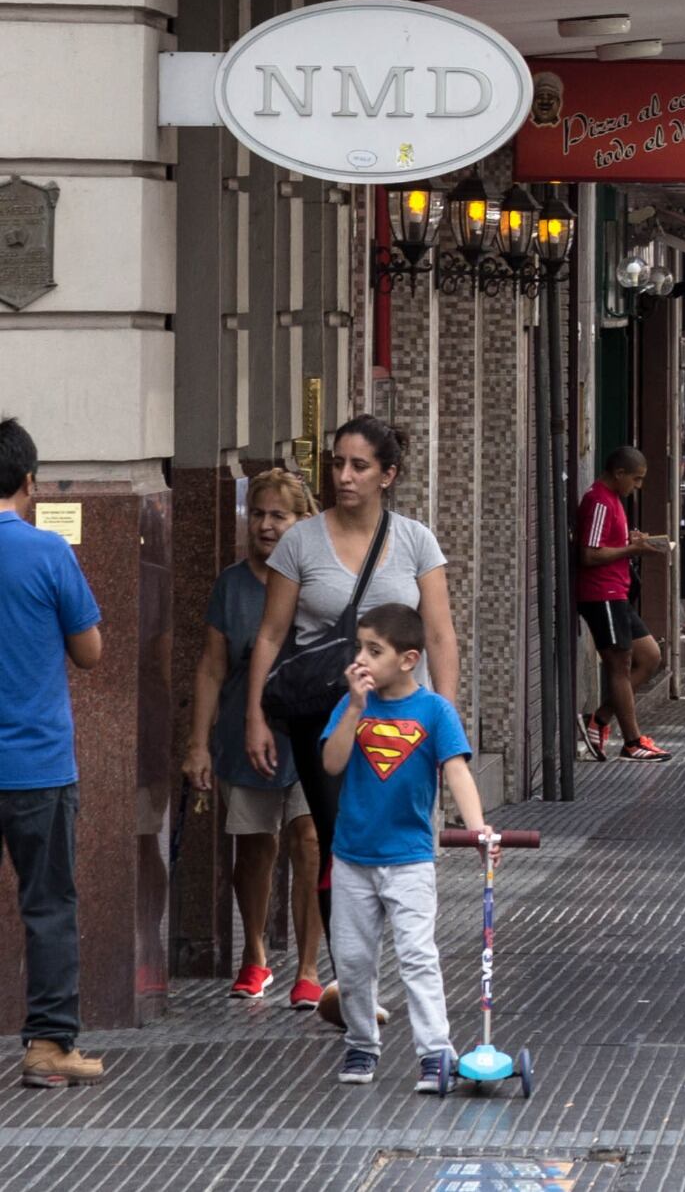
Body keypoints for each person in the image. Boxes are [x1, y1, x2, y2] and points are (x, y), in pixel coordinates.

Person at [243, 417, 460, 957]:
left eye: (359, 466)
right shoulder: (301, 541)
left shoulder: (416, 542)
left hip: (405, 718)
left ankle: (399, 948)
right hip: (327, 713)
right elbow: (271, 635)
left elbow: (439, 634)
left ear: (387, 475)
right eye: (337, 463)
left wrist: (445, 720)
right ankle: (346, 970)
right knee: (334, 837)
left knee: (402, 839)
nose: (344, 475)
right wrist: (255, 717)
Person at [318, 603, 486, 1091]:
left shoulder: (435, 711)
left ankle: (436, 1052)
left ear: (409, 659)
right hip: (352, 857)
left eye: (375, 650)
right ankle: (361, 1043)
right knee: (352, 960)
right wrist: (352, 708)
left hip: (410, 859)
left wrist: (477, 830)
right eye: (359, 648)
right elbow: (331, 764)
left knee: (417, 954)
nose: (361, 659)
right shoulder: (352, 704)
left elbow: (457, 770)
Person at [182, 468, 324, 1008]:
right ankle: (256, 955)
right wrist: (197, 742)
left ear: (303, 521)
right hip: (245, 733)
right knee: (255, 845)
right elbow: (211, 669)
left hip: (309, 733)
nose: (265, 526)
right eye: (257, 514)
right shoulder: (231, 585)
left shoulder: (318, 582)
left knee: (310, 841)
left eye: (278, 516)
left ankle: (309, 967)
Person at [0, 419, 106, 1088]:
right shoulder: (48, 553)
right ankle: (47, 1046)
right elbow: (91, 650)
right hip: (38, 765)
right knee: (48, 905)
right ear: (30, 482)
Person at [575, 447, 672, 762]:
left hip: (617, 592)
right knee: (620, 664)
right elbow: (589, 554)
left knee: (651, 656)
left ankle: (600, 719)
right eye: (637, 479)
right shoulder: (599, 500)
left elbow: (607, 542)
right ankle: (632, 741)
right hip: (601, 594)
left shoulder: (613, 500)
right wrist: (632, 550)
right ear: (619, 473)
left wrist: (631, 541)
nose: (638, 486)